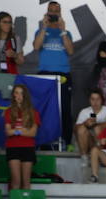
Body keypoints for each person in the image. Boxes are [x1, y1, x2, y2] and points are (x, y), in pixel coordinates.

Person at [31, 1, 73, 146]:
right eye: (51, 11)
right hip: (45, 74)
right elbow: (36, 46)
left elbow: (70, 51)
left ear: (60, 13)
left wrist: (62, 30)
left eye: (56, 11)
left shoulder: (66, 33)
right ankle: (43, 141)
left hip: (62, 74)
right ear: (47, 13)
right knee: (43, 108)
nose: (54, 14)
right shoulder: (41, 31)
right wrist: (44, 27)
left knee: (65, 108)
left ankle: (66, 141)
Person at [5, 83, 40, 191]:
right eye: (16, 93)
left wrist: (15, 130)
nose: (19, 96)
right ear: (13, 95)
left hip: (27, 147)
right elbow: (8, 132)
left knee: (26, 182)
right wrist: (23, 130)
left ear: (25, 96)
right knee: (16, 181)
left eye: (21, 93)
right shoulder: (8, 112)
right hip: (13, 148)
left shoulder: (33, 113)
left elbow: (33, 133)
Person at [73, 88, 106, 156]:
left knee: (97, 128)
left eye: (97, 99)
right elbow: (75, 129)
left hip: (104, 143)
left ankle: (101, 154)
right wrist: (85, 124)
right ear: (89, 100)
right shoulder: (84, 112)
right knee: (81, 129)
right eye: (92, 99)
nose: (95, 102)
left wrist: (97, 124)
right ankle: (84, 157)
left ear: (102, 100)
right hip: (89, 142)